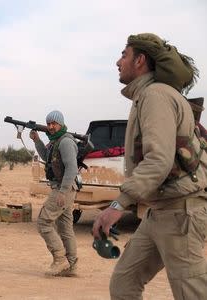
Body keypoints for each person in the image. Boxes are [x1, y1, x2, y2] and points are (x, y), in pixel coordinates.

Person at [92, 33, 207, 299]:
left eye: (124, 55)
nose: (117, 62)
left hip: (181, 213)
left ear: (140, 60)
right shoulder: (144, 97)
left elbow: (159, 160)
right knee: (124, 284)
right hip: (158, 211)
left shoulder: (156, 96)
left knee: (193, 293)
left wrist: (117, 206)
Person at [30, 110, 79, 277]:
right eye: (49, 123)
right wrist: (37, 140)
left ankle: (59, 259)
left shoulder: (65, 142)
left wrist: (62, 192)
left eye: (54, 123)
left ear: (61, 123)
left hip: (63, 189)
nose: (51, 126)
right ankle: (71, 266)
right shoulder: (55, 141)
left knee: (43, 222)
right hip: (64, 188)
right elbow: (46, 157)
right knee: (65, 228)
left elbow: (72, 168)